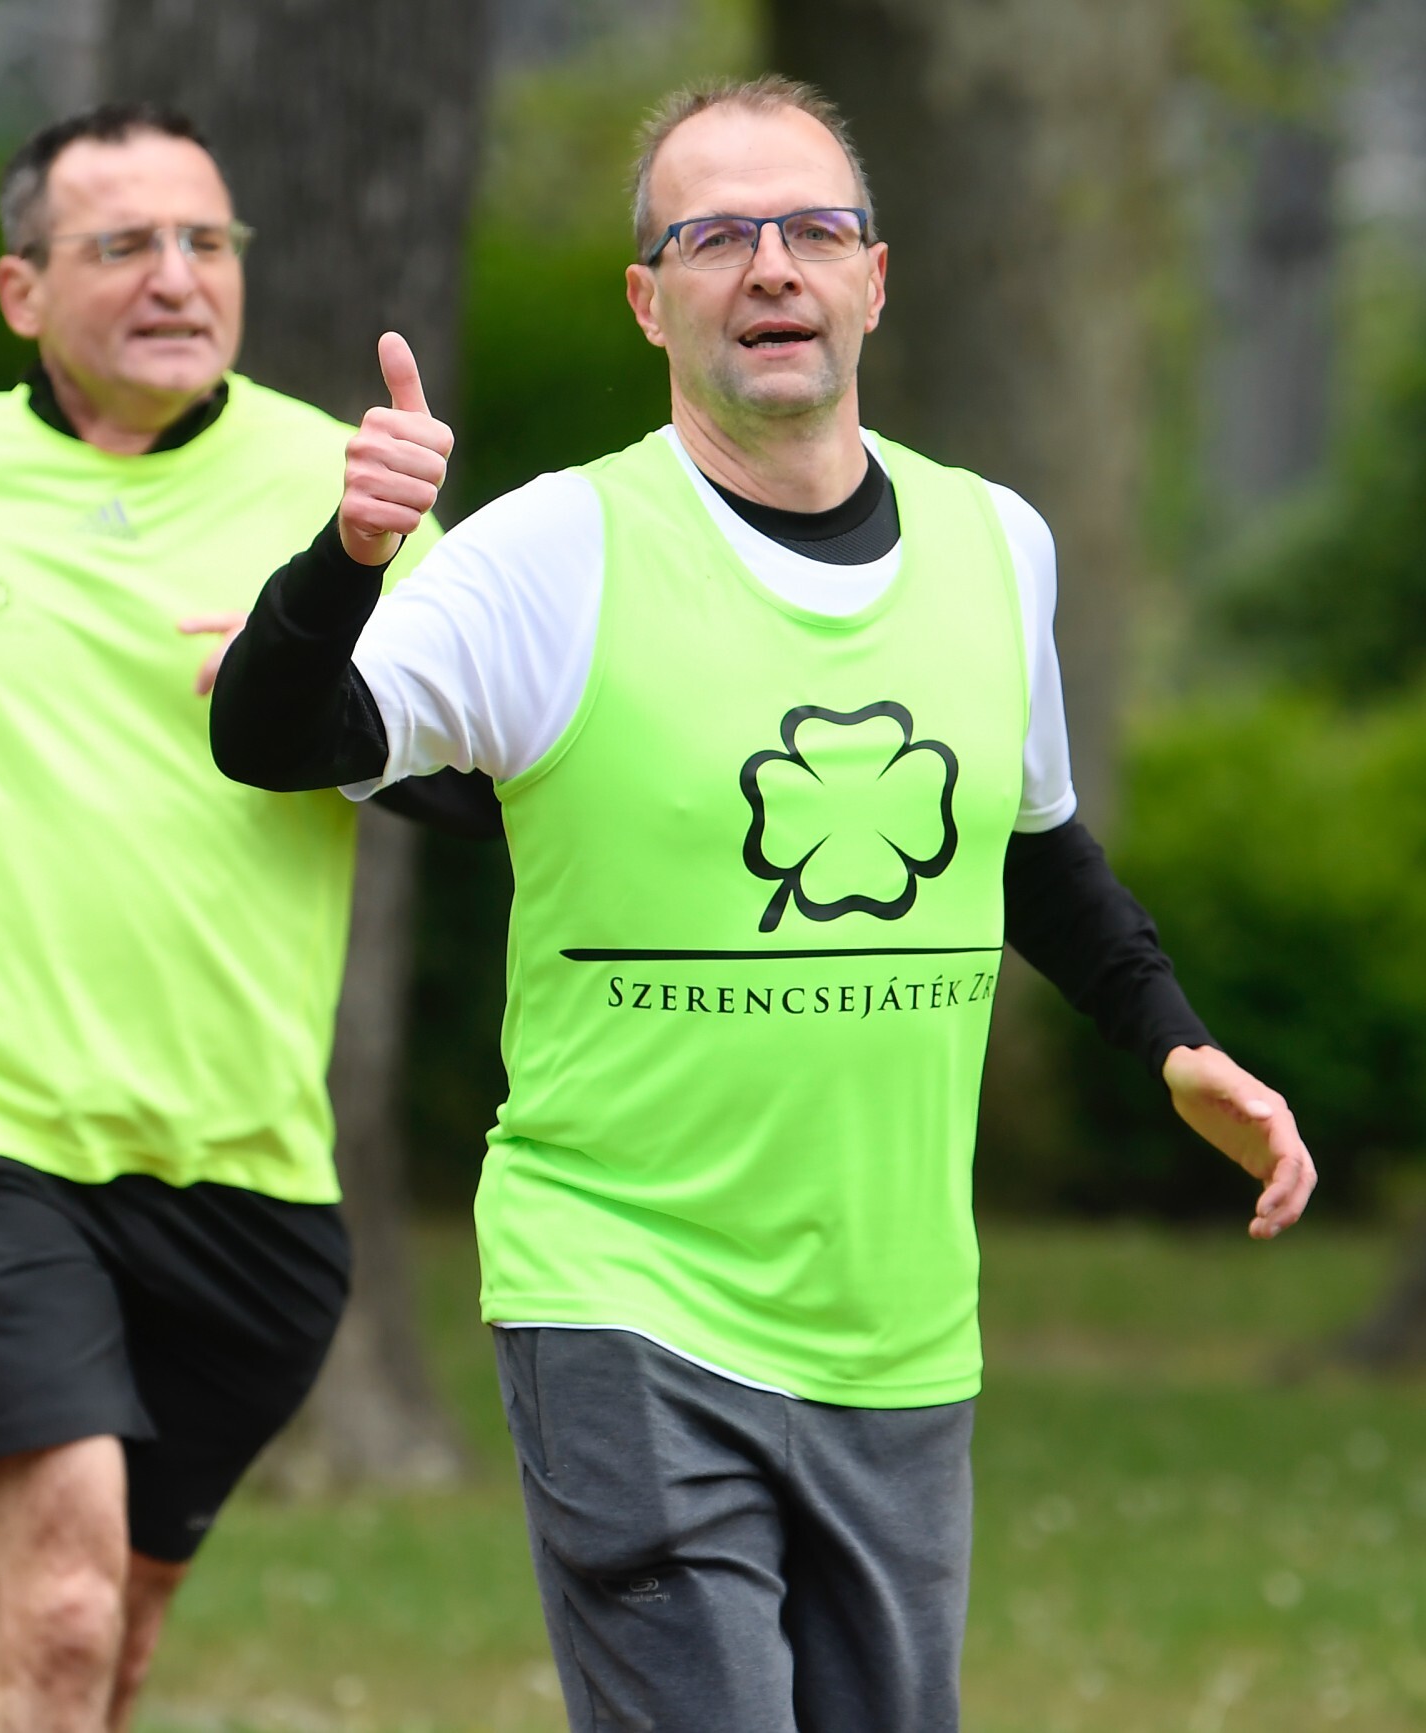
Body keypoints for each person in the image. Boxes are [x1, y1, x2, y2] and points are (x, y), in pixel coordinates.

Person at [210, 76, 1318, 1733]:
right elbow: (274, 735)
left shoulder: (997, 545)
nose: (773, 265)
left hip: (895, 1322)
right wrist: (348, 560)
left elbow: (1030, 847)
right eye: (717, 235)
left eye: (812, 228)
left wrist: (1173, 1038)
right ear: (648, 300)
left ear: (878, 276)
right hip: (623, 1290)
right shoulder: (553, 551)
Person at [0, 103, 479, 1733]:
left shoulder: (346, 486)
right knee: (62, 1613)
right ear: (22, 289)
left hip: (255, 1169)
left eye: (205, 240)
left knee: (121, 1645)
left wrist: (305, 677)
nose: (178, 276)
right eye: (124, 245)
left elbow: (488, 774)